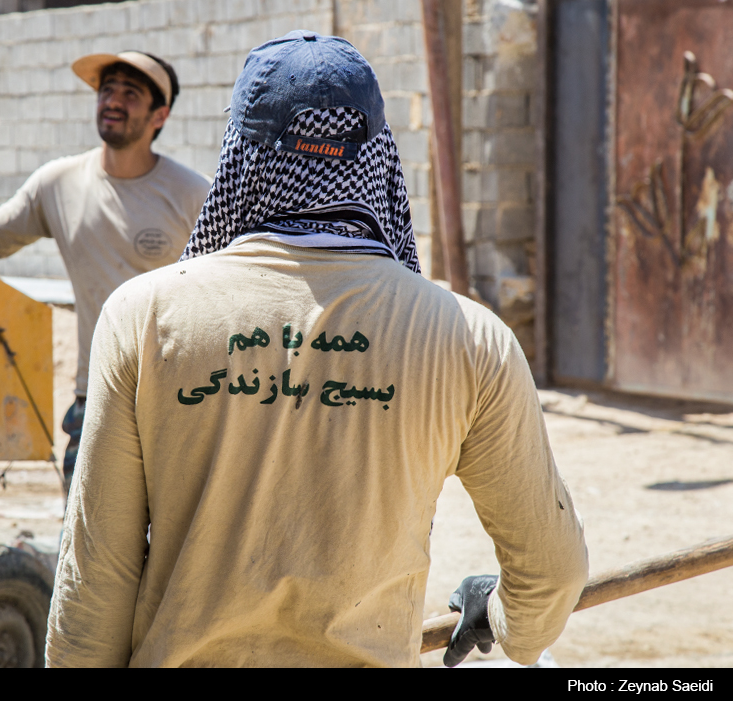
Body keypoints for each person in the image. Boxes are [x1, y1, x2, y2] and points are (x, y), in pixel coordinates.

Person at [45, 31, 588, 668]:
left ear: (240, 155)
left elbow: (95, 583)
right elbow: (552, 575)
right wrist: (502, 619)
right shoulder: (472, 339)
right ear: (379, 157)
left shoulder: (143, 315)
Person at [0, 51, 211, 482]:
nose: (113, 101)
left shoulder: (193, 195)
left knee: (174, 547)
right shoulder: (59, 184)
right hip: (98, 399)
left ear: (160, 115)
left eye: (130, 93)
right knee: (84, 544)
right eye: (107, 90)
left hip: (177, 399)